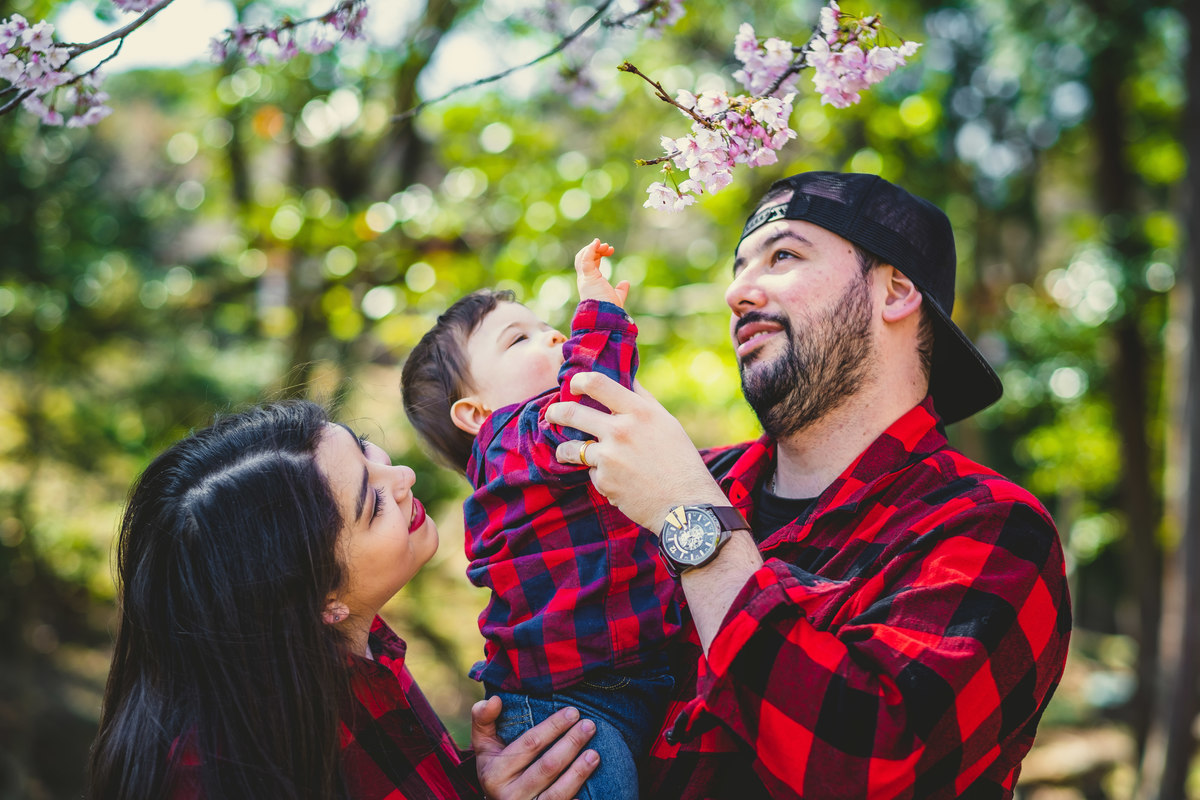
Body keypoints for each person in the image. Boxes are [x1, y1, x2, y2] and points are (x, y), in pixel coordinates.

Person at [529, 171, 1073, 799]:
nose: (736, 291)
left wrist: (690, 518)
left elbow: (867, 766)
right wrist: (522, 763)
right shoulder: (684, 479)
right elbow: (564, 677)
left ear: (896, 291)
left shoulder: (991, 527)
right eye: (738, 268)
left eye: (783, 256)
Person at [86, 400, 599, 800]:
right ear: (317, 599)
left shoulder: (353, 648)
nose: (403, 477)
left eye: (365, 449)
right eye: (373, 504)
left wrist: (475, 784)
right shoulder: (219, 772)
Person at [400, 239, 680, 799]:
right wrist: (600, 315)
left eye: (547, 326)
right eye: (519, 339)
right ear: (476, 413)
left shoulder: (551, 448)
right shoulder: (510, 441)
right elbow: (592, 399)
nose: (553, 336)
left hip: (638, 679)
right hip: (566, 705)